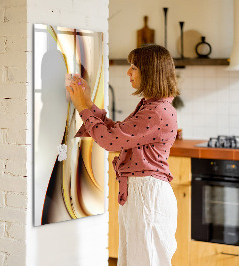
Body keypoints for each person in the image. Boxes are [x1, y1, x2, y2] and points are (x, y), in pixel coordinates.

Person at [66, 44, 179, 266]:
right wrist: (88, 103)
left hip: (147, 196)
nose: (128, 72)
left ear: (150, 71)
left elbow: (110, 141)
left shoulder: (156, 111)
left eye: (134, 67)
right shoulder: (152, 106)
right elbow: (118, 133)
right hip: (142, 194)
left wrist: (82, 108)